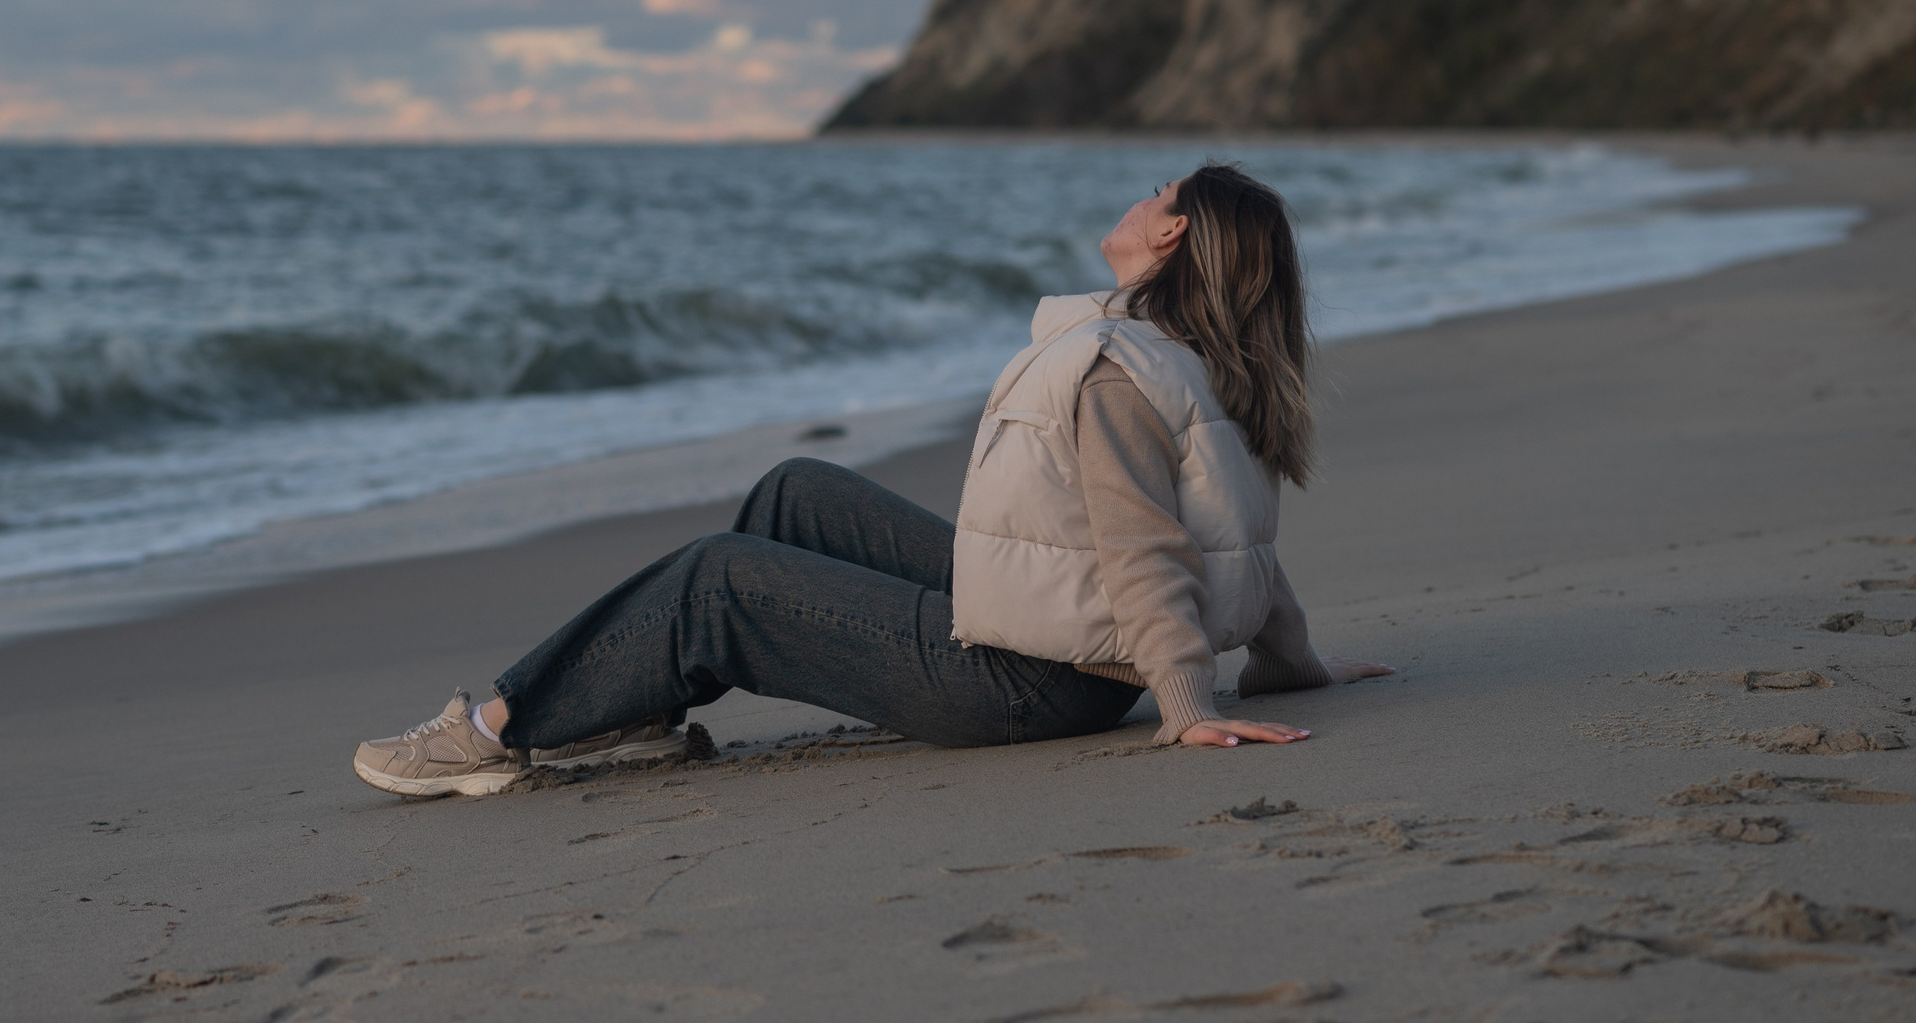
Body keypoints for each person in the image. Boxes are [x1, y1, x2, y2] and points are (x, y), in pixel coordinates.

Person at [351, 162, 1392, 798]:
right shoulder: (1204, 362)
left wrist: (1186, 705)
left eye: (1155, 193)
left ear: (1171, 234)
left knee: (718, 577)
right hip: (1068, 640)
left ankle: (490, 733)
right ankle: (629, 705)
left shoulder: (1120, 368)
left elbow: (1147, 547)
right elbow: (1235, 536)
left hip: (1032, 680)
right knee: (794, 491)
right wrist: (1287, 658)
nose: (1138, 196)